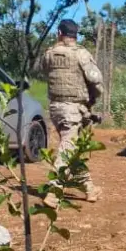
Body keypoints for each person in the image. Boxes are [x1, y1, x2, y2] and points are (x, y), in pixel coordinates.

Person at [41, 19, 104, 207]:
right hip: (74, 109)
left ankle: (89, 188)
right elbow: (96, 80)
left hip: (55, 108)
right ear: (75, 34)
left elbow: (46, 73)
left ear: (59, 33)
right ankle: (54, 190)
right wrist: (93, 98)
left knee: (73, 150)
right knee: (68, 147)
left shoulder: (49, 54)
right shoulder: (81, 54)